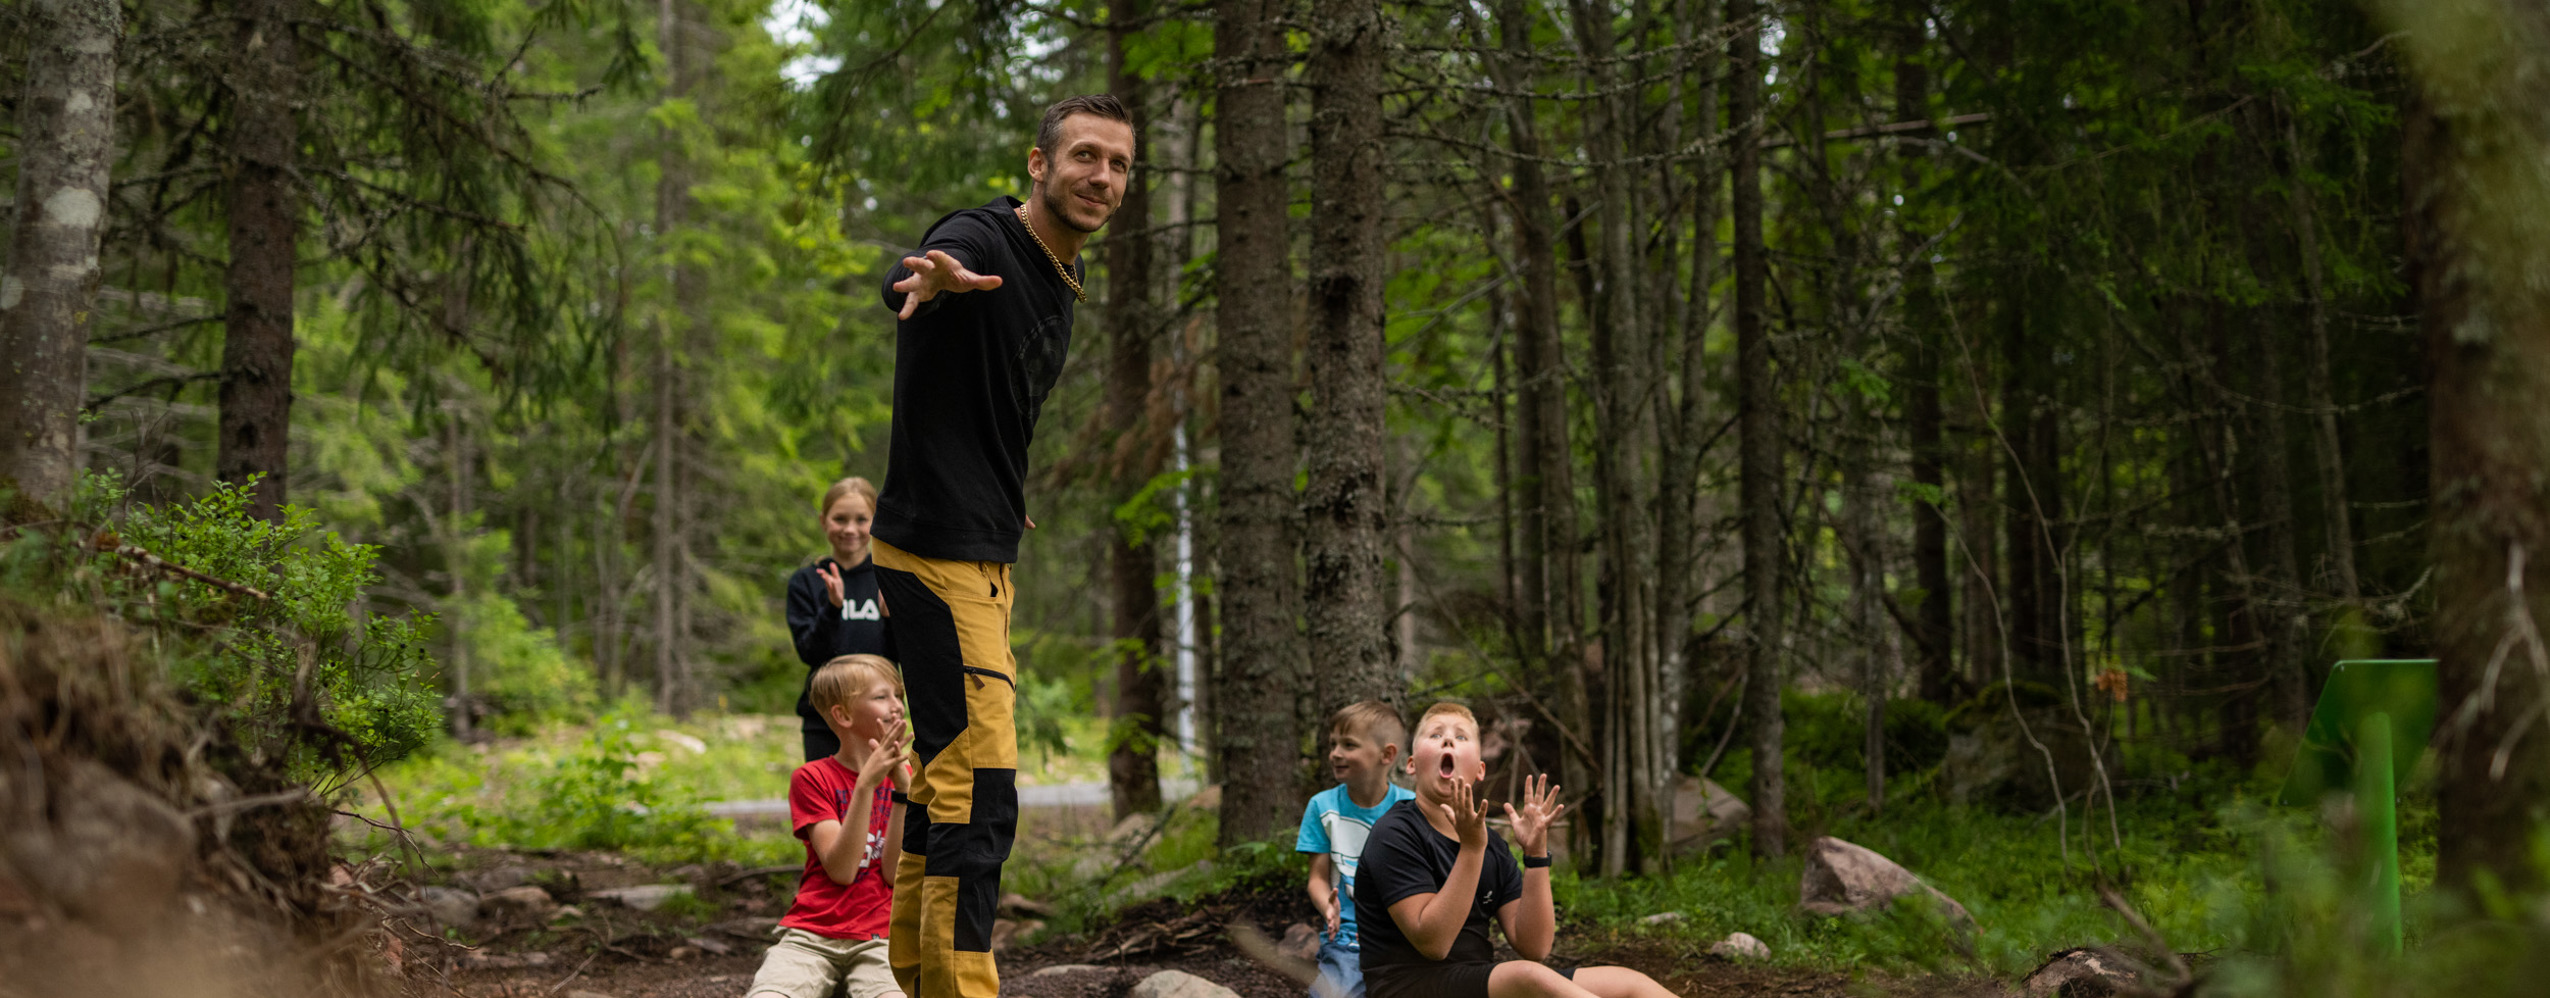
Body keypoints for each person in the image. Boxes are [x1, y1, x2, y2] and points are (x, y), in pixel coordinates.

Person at [870, 94, 1135, 998]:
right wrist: (931, 277)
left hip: (974, 544)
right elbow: (923, 271)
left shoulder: (1061, 273)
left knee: (944, 779)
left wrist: (1001, 487)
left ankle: (909, 976)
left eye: (1119, 165)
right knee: (980, 791)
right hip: (941, 556)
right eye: (1085, 158)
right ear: (1038, 164)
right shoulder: (986, 241)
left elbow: (992, 398)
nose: (1102, 178)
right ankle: (961, 986)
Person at [1357, 703, 1682, 998]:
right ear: (1411, 765)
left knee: (1629, 983)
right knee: (1529, 977)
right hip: (1409, 987)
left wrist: (1536, 856)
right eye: (1436, 734)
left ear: (1480, 769)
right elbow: (1433, 944)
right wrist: (1471, 850)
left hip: (1475, 981)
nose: (1448, 742)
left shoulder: (1493, 847)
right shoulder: (1395, 833)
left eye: (1461, 737)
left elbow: (1534, 946)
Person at [746, 654, 912, 998]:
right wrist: (866, 785)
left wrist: (902, 794)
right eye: (882, 697)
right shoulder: (812, 778)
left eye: (898, 695)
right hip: (811, 935)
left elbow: (895, 873)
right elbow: (842, 870)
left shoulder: (909, 779)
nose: (897, 706)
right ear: (843, 715)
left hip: (881, 937)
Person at [1298, 701, 1419, 998]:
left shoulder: (1411, 808)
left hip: (1404, 939)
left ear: (1387, 754)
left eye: (1349, 745)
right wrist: (1327, 905)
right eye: (1333, 744)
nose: (1335, 753)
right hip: (1348, 937)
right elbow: (1317, 876)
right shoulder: (1323, 807)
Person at [786, 477, 892, 762]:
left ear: (875, 521)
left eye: (861, 519)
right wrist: (832, 608)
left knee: (880, 803)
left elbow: (900, 656)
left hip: (879, 718)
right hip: (823, 718)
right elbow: (809, 652)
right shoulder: (807, 581)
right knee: (827, 803)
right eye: (840, 519)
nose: (850, 529)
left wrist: (890, 618)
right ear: (823, 521)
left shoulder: (888, 578)